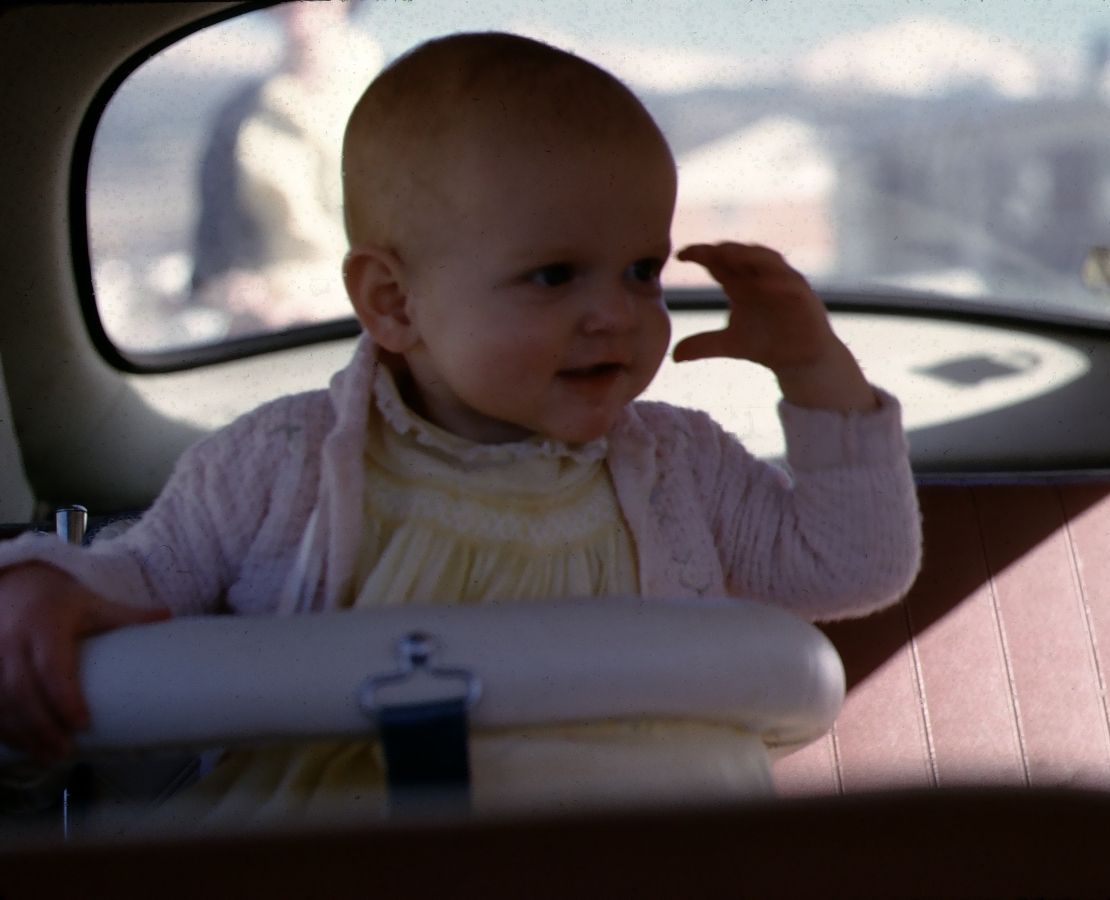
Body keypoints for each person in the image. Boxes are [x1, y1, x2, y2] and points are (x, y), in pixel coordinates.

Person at [0, 33, 921, 823]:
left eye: (642, 269)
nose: (617, 313)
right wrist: (49, 585)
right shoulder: (282, 463)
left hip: (652, 852)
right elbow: (148, 578)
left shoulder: (679, 466)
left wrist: (815, 375)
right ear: (393, 302)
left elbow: (853, 565)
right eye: (556, 276)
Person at [190, 2, 382, 337]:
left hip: (381, 323)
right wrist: (240, 292)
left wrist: (338, 304)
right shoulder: (238, 114)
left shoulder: (400, 90)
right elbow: (210, 261)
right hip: (275, 334)